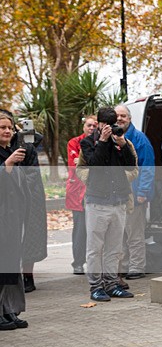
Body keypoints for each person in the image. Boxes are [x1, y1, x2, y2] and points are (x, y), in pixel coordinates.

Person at [76, 107, 137, 302]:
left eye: (115, 124)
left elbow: (130, 164)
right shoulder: (88, 142)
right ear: (99, 124)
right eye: (107, 124)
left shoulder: (120, 141)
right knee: (95, 248)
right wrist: (102, 141)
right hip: (97, 201)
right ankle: (95, 286)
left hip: (118, 200)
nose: (111, 128)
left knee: (115, 247)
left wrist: (122, 144)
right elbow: (94, 165)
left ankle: (112, 284)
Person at [116, 104, 155, 280]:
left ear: (130, 118)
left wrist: (143, 192)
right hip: (117, 196)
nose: (120, 119)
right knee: (120, 234)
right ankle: (123, 267)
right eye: (117, 116)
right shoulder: (113, 138)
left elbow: (147, 167)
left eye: (123, 116)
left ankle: (137, 267)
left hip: (135, 195)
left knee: (134, 234)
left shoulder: (140, 139)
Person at [0, 110, 30, 329]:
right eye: (2, 128)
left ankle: (9, 309)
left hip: (13, 217)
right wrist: (7, 165)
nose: (8, 131)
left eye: (10, 127)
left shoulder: (10, 151)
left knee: (11, 266)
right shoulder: (8, 157)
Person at [18, 122, 47, 293]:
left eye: (8, 127)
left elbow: (38, 138)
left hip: (27, 199)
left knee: (29, 238)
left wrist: (19, 132)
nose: (6, 131)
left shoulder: (22, 145)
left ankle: (28, 276)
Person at [66, 116, 97, 275]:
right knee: (80, 230)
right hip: (78, 193)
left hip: (96, 190)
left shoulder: (100, 141)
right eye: (89, 125)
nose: (92, 128)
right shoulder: (74, 142)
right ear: (83, 126)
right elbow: (76, 165)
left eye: (94, 125)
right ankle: (77, 263)